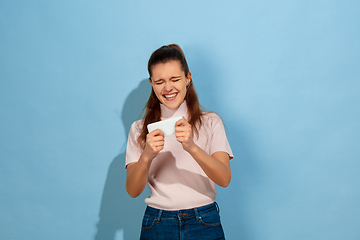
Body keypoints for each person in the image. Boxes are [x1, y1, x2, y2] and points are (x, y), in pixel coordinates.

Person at [125, 44, 233, 240]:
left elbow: (224, 178)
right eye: (159, 81)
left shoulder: (210, 122)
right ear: (151, 83)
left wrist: (192, 147)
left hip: (204, 220)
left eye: (175, 79)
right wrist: (147, 155)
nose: (168, 88)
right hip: (157, 223)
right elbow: (133, 191)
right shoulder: (139, 129)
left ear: (187, 78)